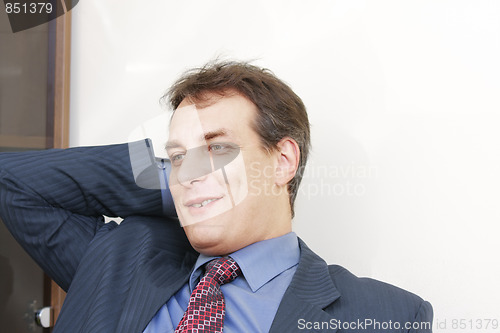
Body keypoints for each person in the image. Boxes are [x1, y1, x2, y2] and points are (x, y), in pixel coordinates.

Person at [0, 61, 433, 332]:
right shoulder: (122, 257)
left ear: (282, 161)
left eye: (217, 149)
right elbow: (14, 182)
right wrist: (187, 189)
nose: (188, 172)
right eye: (175, 158)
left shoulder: (387, 314)